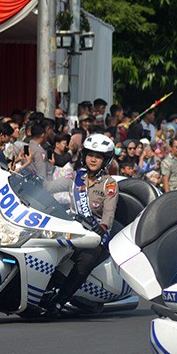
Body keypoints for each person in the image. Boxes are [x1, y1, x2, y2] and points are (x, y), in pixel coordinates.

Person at [44, 134, 119, 315]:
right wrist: (29, 177)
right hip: (70, 228)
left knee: (86, 259)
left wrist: (102, 227)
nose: (93, 159)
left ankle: (60, 301)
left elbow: (109, 213)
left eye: (99, 156)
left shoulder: (109, 184)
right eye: (90, 154)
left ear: (106, 160)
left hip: (94, 235)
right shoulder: (76, 177)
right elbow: (49, 187)